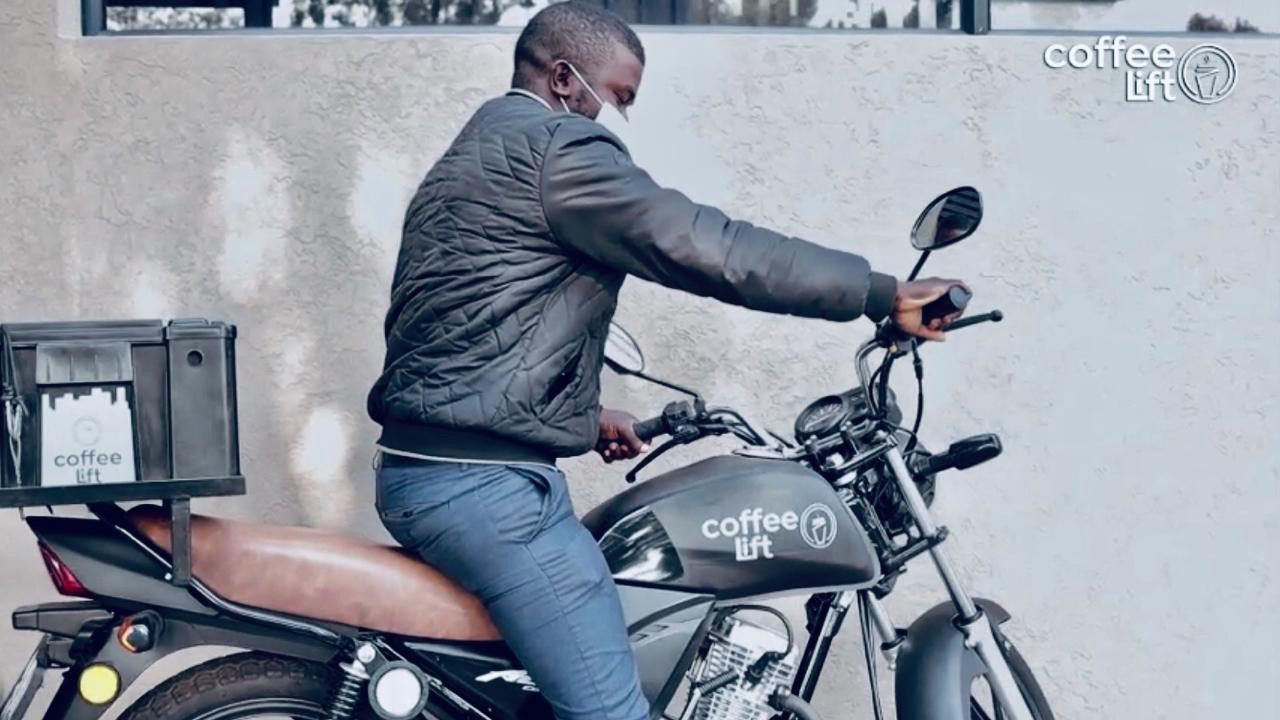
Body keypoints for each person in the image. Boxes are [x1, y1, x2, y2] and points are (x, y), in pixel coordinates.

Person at [367, 3, 966, 719]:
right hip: (484, 493)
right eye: (616, 99)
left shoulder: (474, 155)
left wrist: (582, 418)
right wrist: (877, 293)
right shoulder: (559, 150)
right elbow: (711, 248)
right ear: (564, 78)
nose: (615, 119)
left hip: (445, 473)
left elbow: (462, 334)